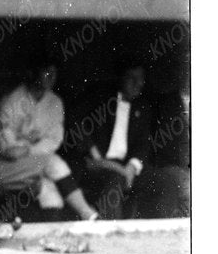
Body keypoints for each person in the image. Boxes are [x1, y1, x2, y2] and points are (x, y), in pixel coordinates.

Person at [0, 62, 98, 224]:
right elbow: (8, 150)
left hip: (32, 168)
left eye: (54, 73)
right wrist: (32, 149)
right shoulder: (11, 101)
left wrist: (27, 148)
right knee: (53, 162)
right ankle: (87, 213)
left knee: (51, 193)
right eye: (46, 72)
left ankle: (57, 233)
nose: (52, 78)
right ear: (32, 73)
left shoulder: (55, 102)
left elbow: (53, 141)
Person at [70, 63, 188, 220]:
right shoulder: (99, 99)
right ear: (121, 79)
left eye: (140, 79)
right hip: (97, 165)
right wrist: (92, 149)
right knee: (114, 180)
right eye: (132, 78)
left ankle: (158, 235)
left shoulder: (143, 107)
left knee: (166, 182)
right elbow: (75, 121)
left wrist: (132, 166)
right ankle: (113, 235)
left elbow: (143, 144)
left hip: (127, 167)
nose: (137, 83)